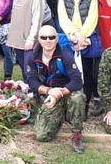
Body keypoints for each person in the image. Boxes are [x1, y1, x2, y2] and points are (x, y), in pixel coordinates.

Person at [24, 25, 86, 154]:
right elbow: (32, 81)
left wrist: (59, 93)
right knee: (42, 136)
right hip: (47, 95)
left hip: (66, 93)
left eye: (51, 37)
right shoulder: (32, 57)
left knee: (78, 97)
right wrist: (49, 91)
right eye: (44, 37)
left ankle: (77, 133)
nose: (48, 40)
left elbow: (77, 80)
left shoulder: (65, 56)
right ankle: (62, 115)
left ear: (56, 39)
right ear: (39, 39)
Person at [57, 0, 101, 117]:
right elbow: (62, 16)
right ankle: (68, 107)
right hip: (71, 37)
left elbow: (92, 17)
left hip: (86, 38)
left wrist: (82, 36)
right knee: (69, 73)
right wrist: (74, 33)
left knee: (87, 74)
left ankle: (85, 107)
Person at [7, 0, 52, 71]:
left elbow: (37, 19)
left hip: (28, 39)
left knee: (31, 70)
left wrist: (31, 38)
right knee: (23, 68)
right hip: (17, 40)